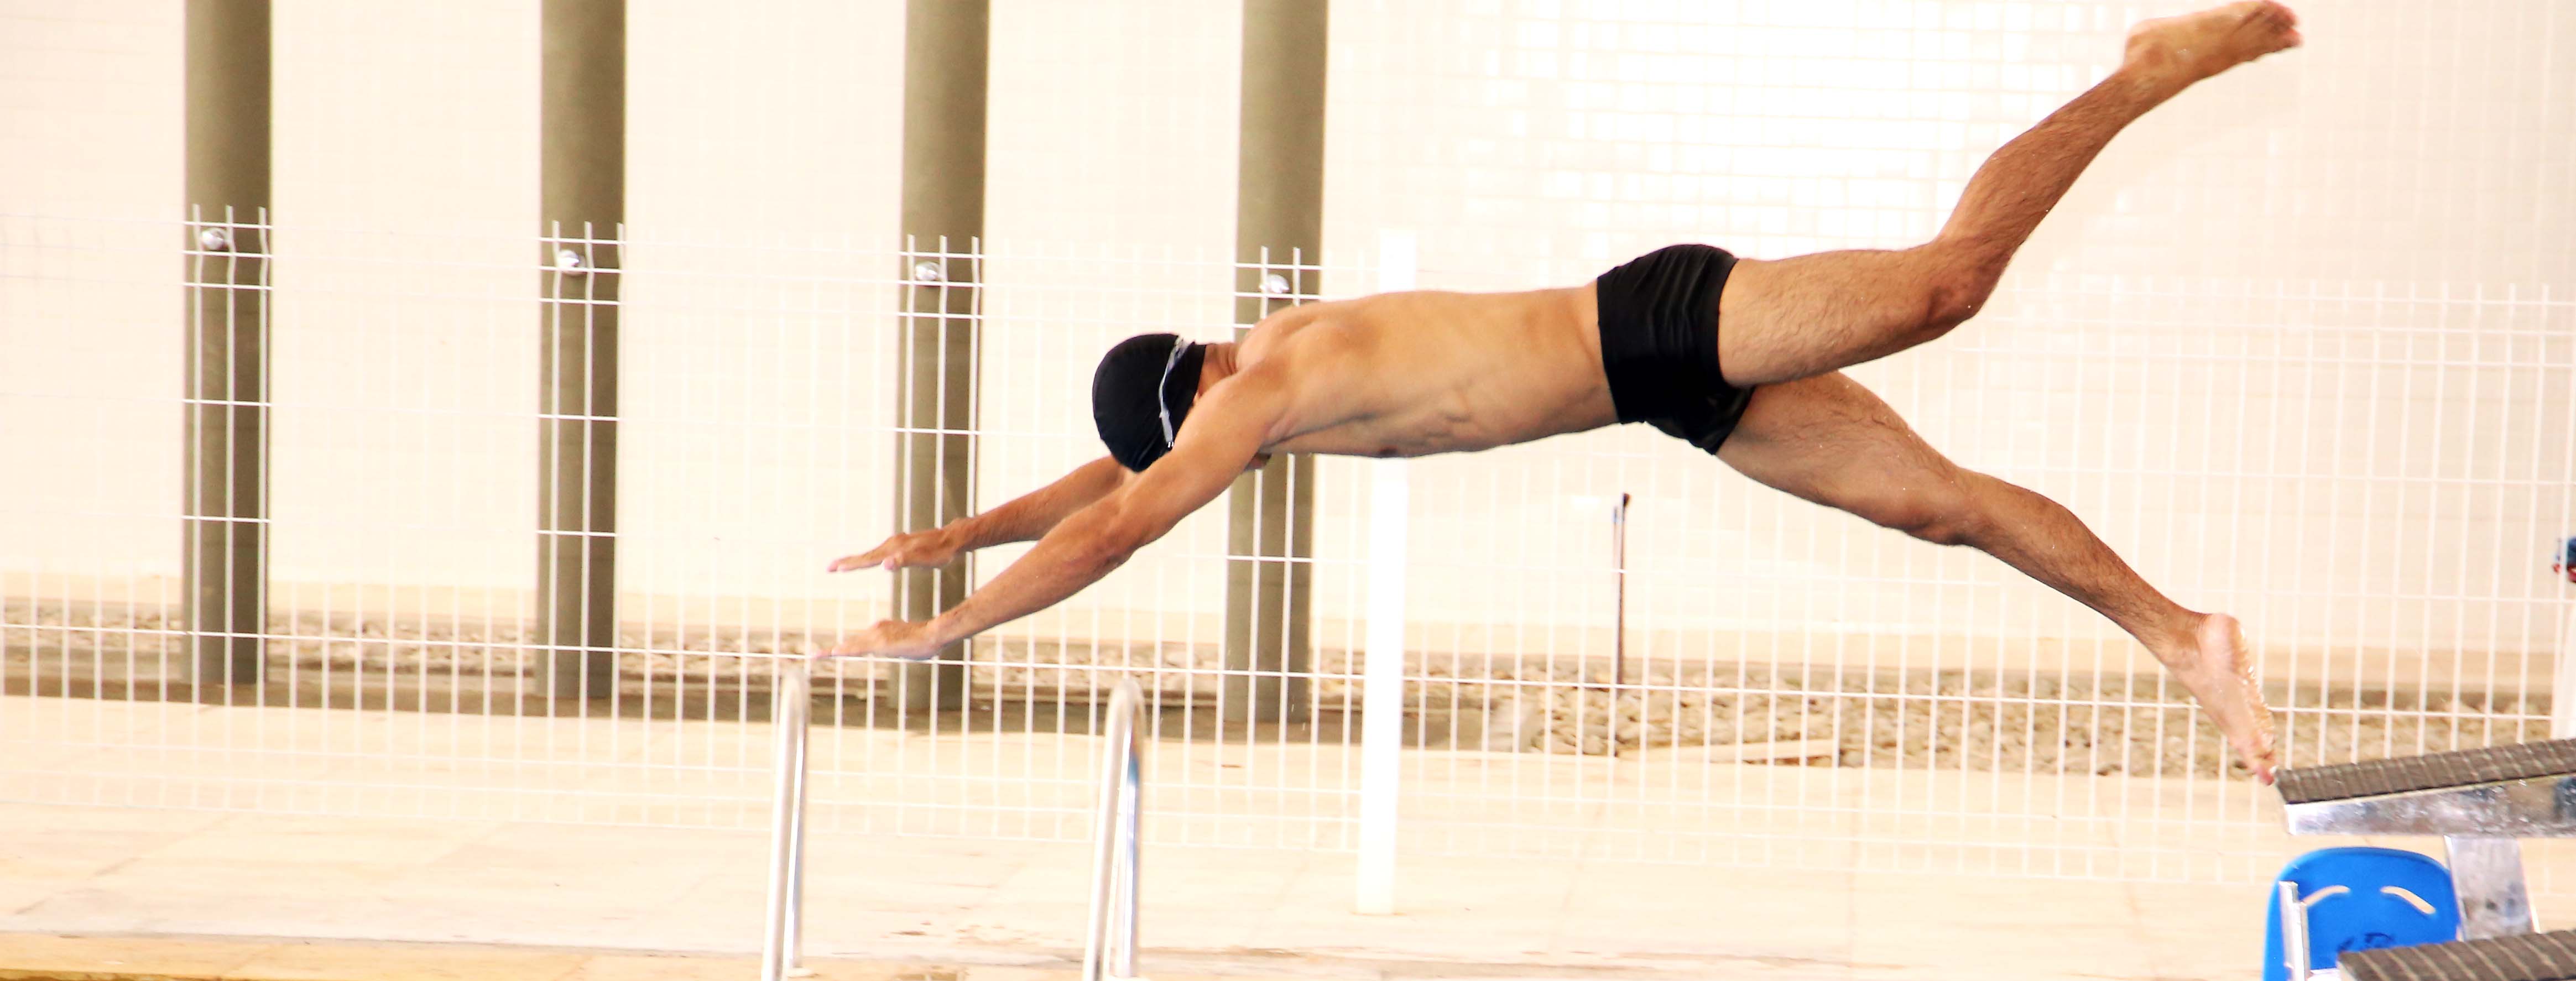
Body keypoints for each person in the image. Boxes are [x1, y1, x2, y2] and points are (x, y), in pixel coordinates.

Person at [827, 2, 2299, 783]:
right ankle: (2183, 636)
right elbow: (1106, 491)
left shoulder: (1276, 382)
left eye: (1198, 450)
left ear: (1194, 406)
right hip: (1659, 391)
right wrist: (955, 534)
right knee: (1937, 511)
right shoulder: (1248, 380)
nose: (1221, 466)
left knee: (1944, 282)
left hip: (1655, 315)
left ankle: (2145, 74)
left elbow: (1123, 526)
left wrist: (947, 633)